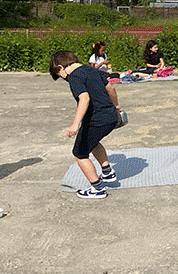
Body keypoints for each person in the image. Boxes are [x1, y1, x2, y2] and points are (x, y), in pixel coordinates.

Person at [50, 50, 123, 199]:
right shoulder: (91, 70)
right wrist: (116, 106)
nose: (63, 78)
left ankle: (98, 189)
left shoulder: (74, 77)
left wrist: (75, 125)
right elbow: (110, 88)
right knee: (93, 141)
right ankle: (108, 172)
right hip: (110, 117)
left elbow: (84, 98)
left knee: (80, 153)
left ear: (61, 67)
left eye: (59, 75)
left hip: (97, 120)